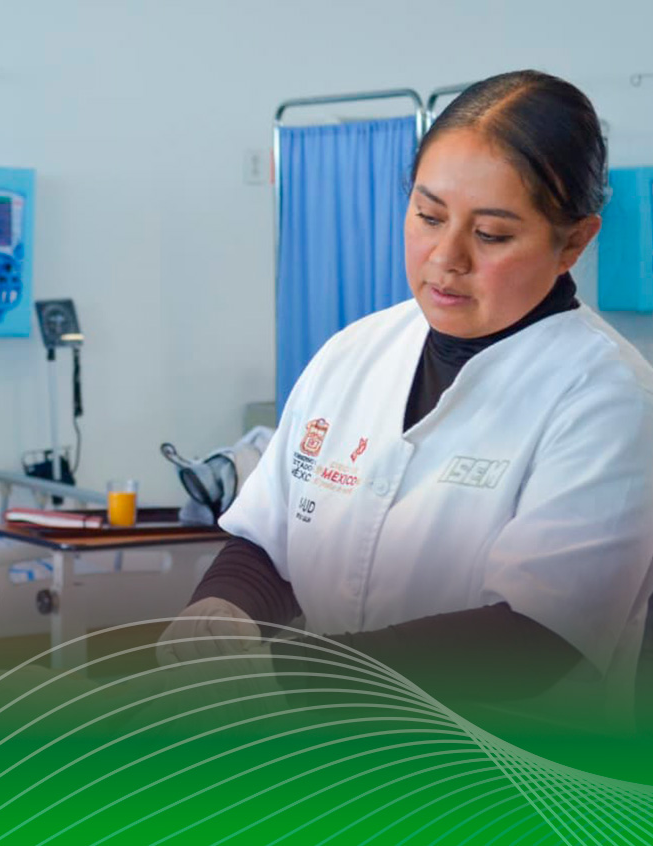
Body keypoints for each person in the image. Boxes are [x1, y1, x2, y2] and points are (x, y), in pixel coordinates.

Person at [159, 70, 653, 724]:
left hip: (504, 768)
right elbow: (272, 541)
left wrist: (293, 671)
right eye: (428, 216)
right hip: (337, 751)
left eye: (491, 234)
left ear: (573, 242)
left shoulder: (608, 398)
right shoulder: (353, 354)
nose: (446, 258)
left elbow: (535, 640)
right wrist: (223, 609)